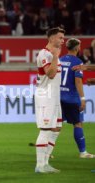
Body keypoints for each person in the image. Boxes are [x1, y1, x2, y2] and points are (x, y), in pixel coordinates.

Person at [34, 27, 65, 173]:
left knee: (57, 128)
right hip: (45, 96)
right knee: (46, 129)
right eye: (60, 37)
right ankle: (40, 165)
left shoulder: (53, 54)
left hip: (54, 97)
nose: (62, 40)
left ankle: (46, 162)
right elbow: (51, 74)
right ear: (51, 38)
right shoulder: (45, 54)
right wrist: (56, 57)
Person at [60, 38, 95, 158]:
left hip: (58, 97)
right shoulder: (78, 62)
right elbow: (78, 82)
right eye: (79, 46)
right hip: (72, 98)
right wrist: (83, 98)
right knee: (78, 123)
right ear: (76, 48)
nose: (80, 48)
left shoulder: (60, 60)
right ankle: (83, 152)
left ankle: (46, 152)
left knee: (55, 125)